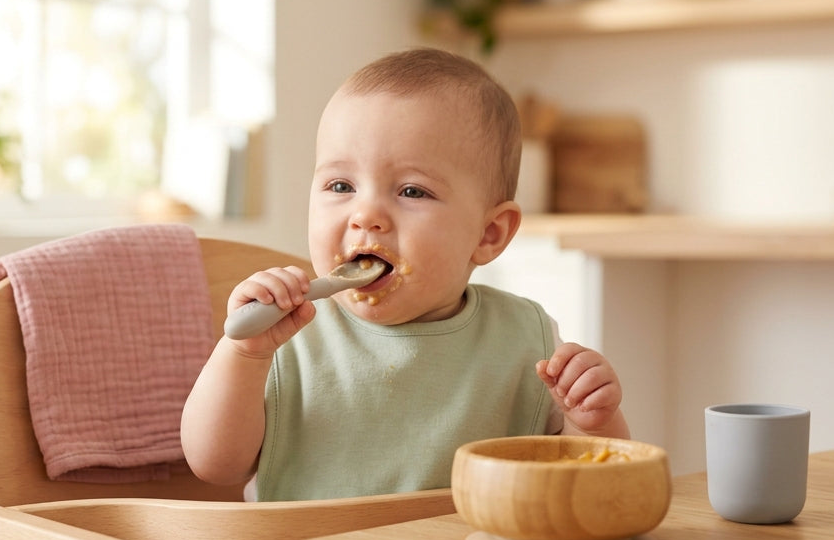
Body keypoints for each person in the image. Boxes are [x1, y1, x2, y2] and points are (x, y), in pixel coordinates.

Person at [181, 47, 629, 501]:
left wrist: (590, 422)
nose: (366, 214)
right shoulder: (281, 333)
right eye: (341, 186)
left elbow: (591, 492)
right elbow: (215, 466)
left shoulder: (526, 340)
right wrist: (243, 356)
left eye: (412, 191)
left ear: (488, 234)